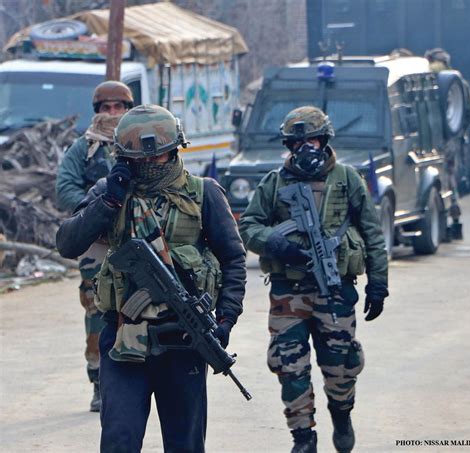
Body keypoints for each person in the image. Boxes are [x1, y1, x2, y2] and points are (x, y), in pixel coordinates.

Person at [56, 104, 246, 452]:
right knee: (119, 440)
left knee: (185, 444)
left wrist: (226, 318)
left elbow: (233, 259)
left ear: (174, 151)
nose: (148, 165)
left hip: (183, 341)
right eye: (138, 159)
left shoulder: (204, 194)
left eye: (156, 157)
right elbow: (67, 242)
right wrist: (108, 202)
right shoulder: (111, 191)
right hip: (123, 339)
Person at [239, 106, 389, 453]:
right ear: (289, 146)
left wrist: (378, 282)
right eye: (298, 142)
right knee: (289, 364)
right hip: (288, 292)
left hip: (335, 290)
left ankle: (341, 411)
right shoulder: (274, 182)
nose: (306, 147)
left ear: (325, 141)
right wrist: (276, 243)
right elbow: (248, 226)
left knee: (341, 366)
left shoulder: (348, 179)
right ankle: (303, 436)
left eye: (313, 140)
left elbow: (372, 232)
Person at [56, 80, 134, 412]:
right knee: (97, 307)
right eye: (107, 108)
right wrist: (93, 213)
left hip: (136, 236)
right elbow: (65, 188)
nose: (113, 114)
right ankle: (99, 381)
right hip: (97, 242)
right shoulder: (84, 148)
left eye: (119, 108)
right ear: (97, 111)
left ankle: (136, 375)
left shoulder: (140, 141)